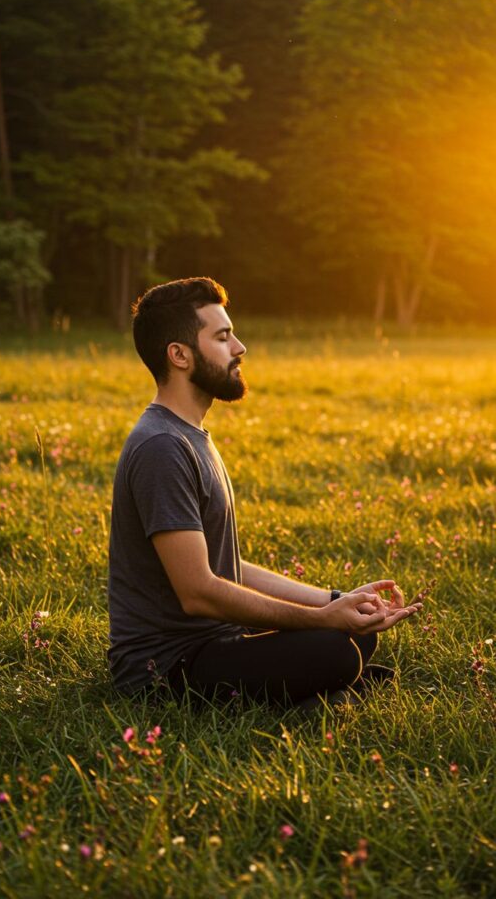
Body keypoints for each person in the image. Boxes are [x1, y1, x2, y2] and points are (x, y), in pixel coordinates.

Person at [108, 277, 421, 709]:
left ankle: (313, 689)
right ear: (179, 355)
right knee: (334, 650)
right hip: (163, 669)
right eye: (222, 337)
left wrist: (334, 601)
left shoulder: (189, 435)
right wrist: (320, 619)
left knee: (350, 635)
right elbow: (198, 591)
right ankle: (310, 695)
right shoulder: (162, 447)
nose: (240, 347)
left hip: (214, 639)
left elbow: (225, 566)